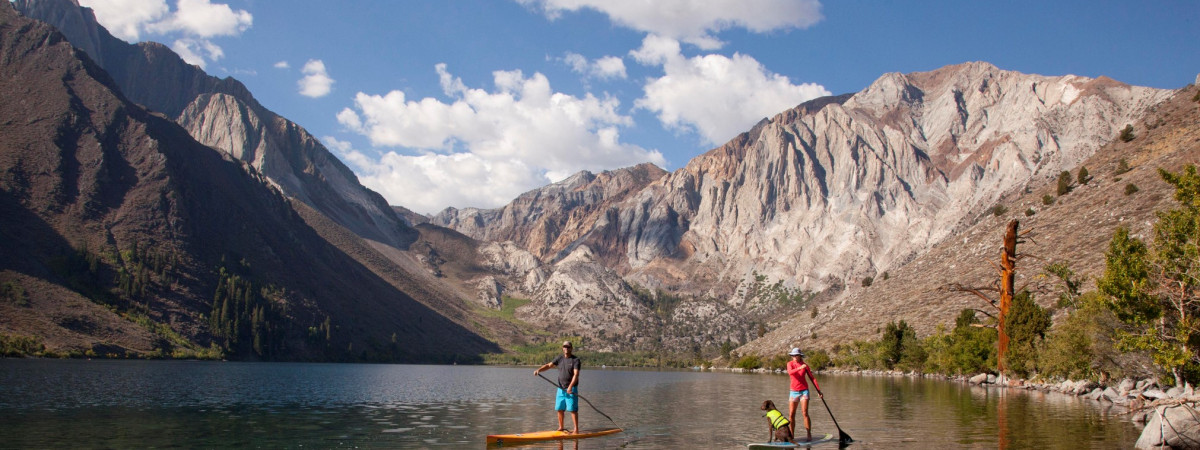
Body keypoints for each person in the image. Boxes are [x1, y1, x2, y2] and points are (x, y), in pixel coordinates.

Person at [534, 341, 581, 434]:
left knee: (572, 410)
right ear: (562, 348)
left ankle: (576, 429)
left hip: (571, 389)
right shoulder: (559, 358)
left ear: (571, 348)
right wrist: (539, 370)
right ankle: (561, 427)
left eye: (568, 346)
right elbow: (548, 365)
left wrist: (570, 387)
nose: (566, 348)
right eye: (564, 346)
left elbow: (576, 375)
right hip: (560, 389)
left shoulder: (575, 360)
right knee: (559, 409)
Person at [786, 347, 823, 441]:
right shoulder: (790, 364)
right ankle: (792, 435)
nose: (794, 357)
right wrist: (799, 368)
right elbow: (790, 373)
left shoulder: (805, 365)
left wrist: (819, 391)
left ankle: (809, 434)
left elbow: (812, 378)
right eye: (793, 355)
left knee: (805, 413)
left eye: (796, 355)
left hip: (804, 391)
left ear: (800, 356)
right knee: (791, 414)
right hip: (793, 391)